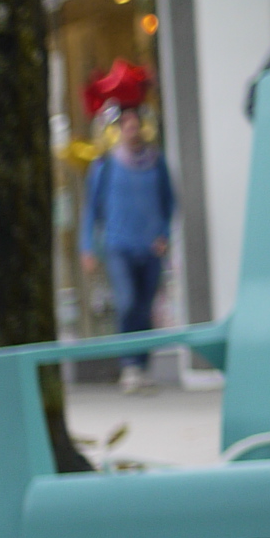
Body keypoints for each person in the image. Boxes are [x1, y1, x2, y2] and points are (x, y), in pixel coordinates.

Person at [81, 105, 176, 394]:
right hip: (117, 246)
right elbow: (91, 210)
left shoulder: (156, 163)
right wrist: (87, 247)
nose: (132, 130)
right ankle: (129, 366)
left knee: (146, 307)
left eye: (136, 124)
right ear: (120, 130)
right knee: (127, 303)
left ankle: (143, 366)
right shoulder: (105, 166)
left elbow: (169, 203)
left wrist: (164, 235)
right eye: (127, 125)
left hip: (150, 248)